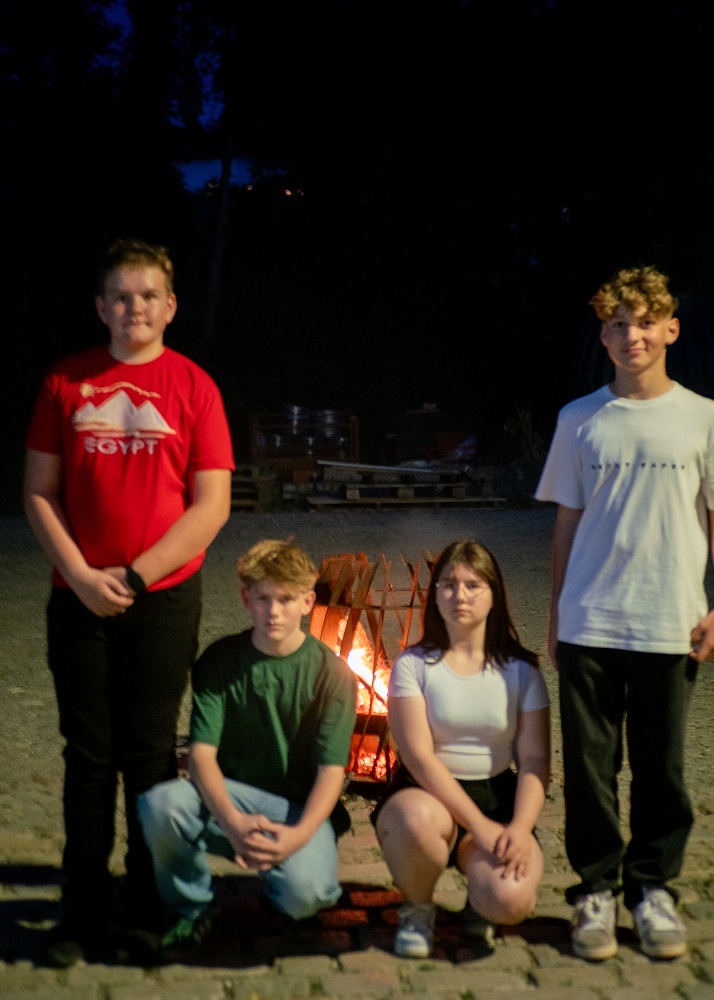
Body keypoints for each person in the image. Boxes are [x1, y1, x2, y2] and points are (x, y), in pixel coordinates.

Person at [23, 238, 235, 967]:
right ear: (100, 306)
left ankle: (147, 908)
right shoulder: (66, 381)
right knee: (87, 757)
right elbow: (38, 493)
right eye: (120, 295)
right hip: (77, 597)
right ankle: (81, 914)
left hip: (163, 598)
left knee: (148, 757)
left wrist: (137, 578)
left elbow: (210, 506)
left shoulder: (194, 387)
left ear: (170, 306)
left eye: (147, 296)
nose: (133, 307)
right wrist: (82, 576)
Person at [535, 265, 714, 961]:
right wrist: (556, 613)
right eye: (617, 324)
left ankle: (653, 889)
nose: (631, 334)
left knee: (662, 768)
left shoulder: (703, 417)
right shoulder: (578, 419)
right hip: (591, 619)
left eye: (644, 322)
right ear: (603, 336)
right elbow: (566, 524)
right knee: (589, 770)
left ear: (671, 329)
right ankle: (596, 891)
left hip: (671, 619)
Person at [137, 539, 358, 960]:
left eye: (286, 599)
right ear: (246, 599)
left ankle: (290, 895)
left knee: (306, 895)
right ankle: (191, 905)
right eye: (263, 598)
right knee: (159, 805)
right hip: (232, 796)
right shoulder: (221, 661)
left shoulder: (332, 674)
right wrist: (234, 822)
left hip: (298, 806)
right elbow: (201, 754)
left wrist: (299, 835)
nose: (273, 611)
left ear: (308, 602)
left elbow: (332, 769)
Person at [371, 540, 550, 959]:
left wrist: (519, 828)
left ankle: (480, 905)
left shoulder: (522, 670)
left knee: (510, 899)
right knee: (415, 820)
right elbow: (418, 756)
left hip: (495, 795)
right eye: (449, 585)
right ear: (435, 596)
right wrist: (477, 824)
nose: (460, 595)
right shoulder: (414, 665)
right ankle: (417, 908)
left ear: (494, 594)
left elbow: (535, 760)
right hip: (425, 794)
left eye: (473, 585)